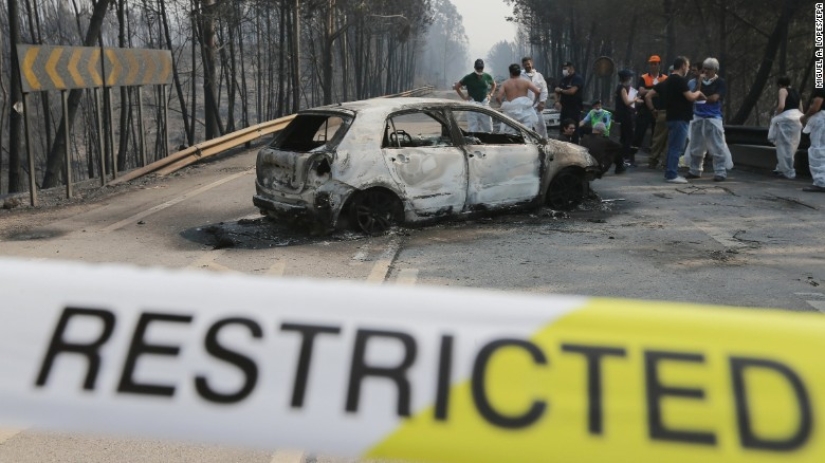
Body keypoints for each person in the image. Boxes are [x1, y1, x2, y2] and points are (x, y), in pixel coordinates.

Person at [644, 56, 705, 184]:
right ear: (683, 65)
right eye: (687, 66)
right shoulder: (680, 81)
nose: (688, 69)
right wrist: (698, 93)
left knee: (672, 146)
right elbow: (689, 97)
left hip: (670, 116)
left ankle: (669, 172)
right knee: (677, 147)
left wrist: (653, 110)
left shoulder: (667, 81)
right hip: (680, 118)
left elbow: (648, 95)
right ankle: (672, 174)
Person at [685, 58, 733, 181]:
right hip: (698, 116)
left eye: (708, 69)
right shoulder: (698, 81)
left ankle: (720, 172)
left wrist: (702, 97)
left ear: (715, 70)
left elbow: (715, 98)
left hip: (713, 117)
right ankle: (695, 170)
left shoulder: (720, 82)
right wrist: (700, 83)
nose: (705, 71)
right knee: (696, 145)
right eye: (704, 68)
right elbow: (694, 94)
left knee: (717, 146)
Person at [768, 76, 803, 180]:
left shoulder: (783, 90)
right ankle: (781, 167)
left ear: (779, 85)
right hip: (797, 118)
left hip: (787, 119)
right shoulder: (796, 92)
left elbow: (781, 106)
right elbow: (801, 108)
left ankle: (787, 170)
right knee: (793, 145)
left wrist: (775, 115)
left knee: (784, 145)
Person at [634, 55, 668, 151]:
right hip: (644, 109)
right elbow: (640, 91)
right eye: (651, 64)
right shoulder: (644, 77)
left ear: (659, 65)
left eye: (655, 64)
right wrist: (656, 91)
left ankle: (653, 154)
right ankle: (631, 155)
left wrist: (648, 91)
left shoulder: (665, 78)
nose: (653, 66)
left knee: (656, 133)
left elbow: (666, 91)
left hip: (659, 109)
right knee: (639, 132)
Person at [454, 59, 496, 132]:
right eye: (478, 68)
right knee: (473, 127)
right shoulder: (469, 77)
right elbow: (457, 86)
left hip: (484, 103)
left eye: (481, 68)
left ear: (483, 68)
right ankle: (473, 139)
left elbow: (494, 85)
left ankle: (487, 139)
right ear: (475, 68)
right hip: (472, 103)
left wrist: (490, 94)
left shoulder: (487, 76)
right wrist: (464, 97)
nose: (479, 70)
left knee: (488, 126)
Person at [497, 63, 541, 132]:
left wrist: (502, 106)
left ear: (510, 73)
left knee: (511, 133)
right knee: (527, 132)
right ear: (519, 72)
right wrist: (533, 103)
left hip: (511, 111)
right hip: (525, 110)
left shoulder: (505, 83)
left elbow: (498, 97)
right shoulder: (526, 81)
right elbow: (538, 92)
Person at [801, 84, 825, 192]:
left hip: (821, 120)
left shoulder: (821, 88)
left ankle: (821, 182)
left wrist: (805, 116)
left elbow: (816, 107)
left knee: (817, 150)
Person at [615, 69, 640, 167]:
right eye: (630, 77)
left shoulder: (619, 87)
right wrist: (635, 99)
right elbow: (627, 102)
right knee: (628, 138)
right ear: (626, 78)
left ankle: (622, 157)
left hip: (621, 115)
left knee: (624, 137)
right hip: (626, 116)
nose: (631, 79)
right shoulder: (623, 88)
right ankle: (626, 157)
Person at [554, 61, 585, 143]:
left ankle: (574, 144)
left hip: (574, 108)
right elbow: (556, 91)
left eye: (565, 68)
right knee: (563, 128)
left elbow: (572, 91)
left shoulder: (577, 78)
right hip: (564, 108)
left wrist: (561, 90)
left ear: (571, 68)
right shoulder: (563, 80)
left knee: (573, 129)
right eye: (563, 69)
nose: (564, 70)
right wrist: (557, 101)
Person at [521, 57, 549, 138]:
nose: (527, 66)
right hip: (525, 107)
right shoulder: (520, 76)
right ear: (522, 65)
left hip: (536, 106)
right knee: (526, 128)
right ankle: (528, 145)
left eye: (528, 64)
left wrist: (542, 102)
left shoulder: (538, 76)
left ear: (532, 64)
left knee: (541, 127)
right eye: (525, 64)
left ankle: (544, 144)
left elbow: (544, 89)